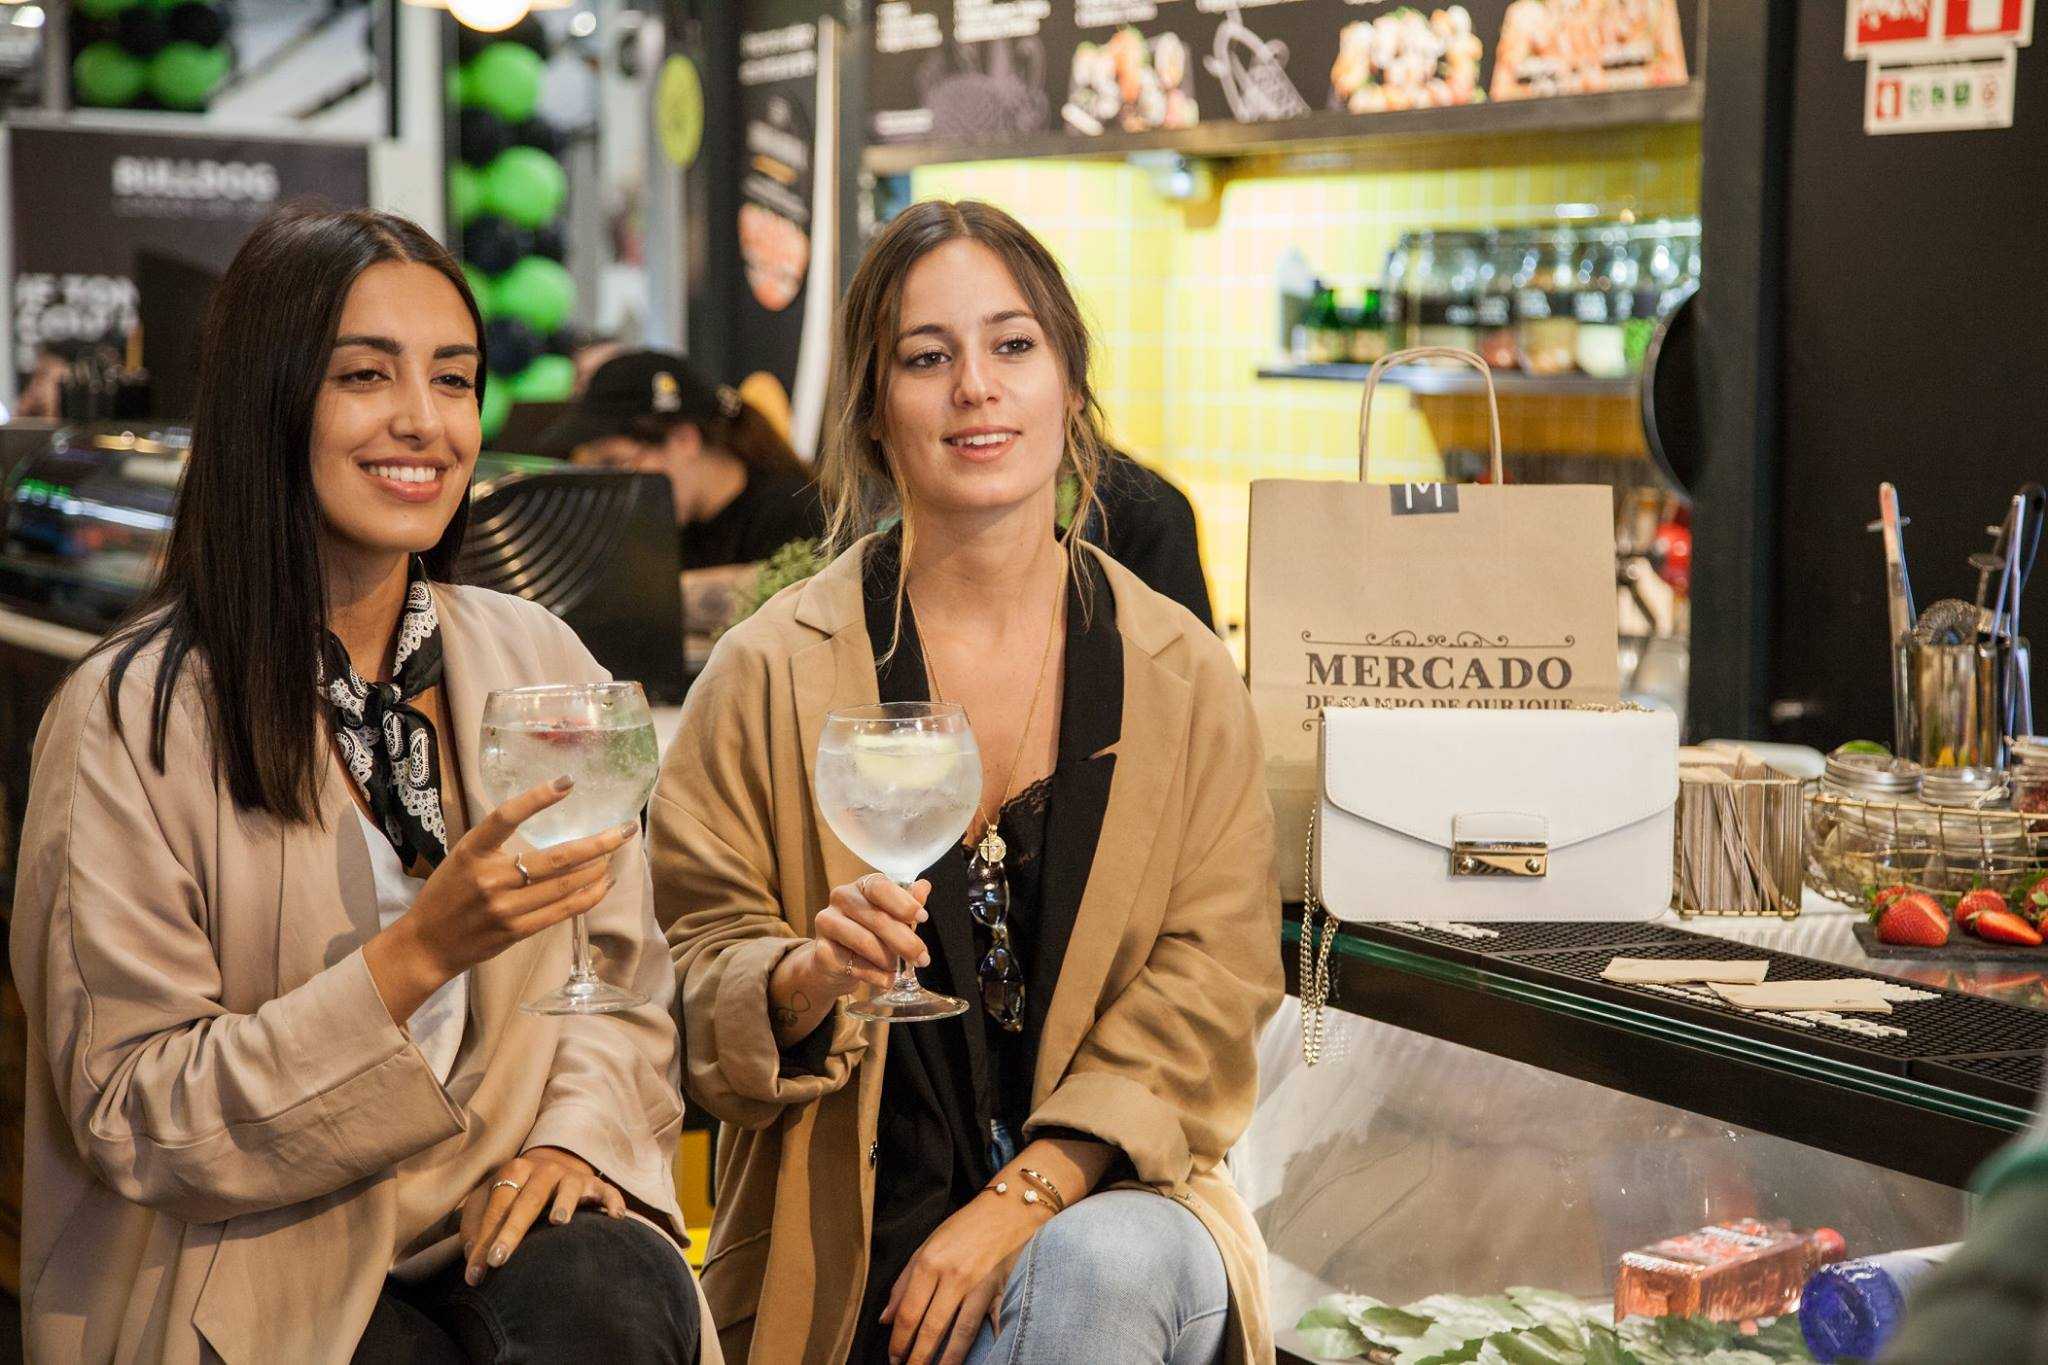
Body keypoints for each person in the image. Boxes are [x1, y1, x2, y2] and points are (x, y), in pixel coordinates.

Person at [8, 204, 709, 1364]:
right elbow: (134, 1108)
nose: (423, 423)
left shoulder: (540, 664)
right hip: (240, 1250)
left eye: (454, 378)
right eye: (364, 377)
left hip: (490, 1202)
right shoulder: (128, 718)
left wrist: (579, 1141)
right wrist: (415, 957)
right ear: (269, 402)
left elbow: (620, 978)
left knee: (617, 1297)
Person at [652, 198, 1281, 1365]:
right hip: (838, 1231)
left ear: (1067, 389)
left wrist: (1029, 1194)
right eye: (926, 358)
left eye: (1012, 346)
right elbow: (680, 970)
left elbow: (1219, 971)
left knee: (1097, 1273)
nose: (974, 389)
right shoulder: (768, 672)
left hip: (1111, 1197)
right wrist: (798, 978)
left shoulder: (1177, 671)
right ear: (873, 411)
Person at [539, 350, 827, 648]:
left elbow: (793, 599)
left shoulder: (793, 509)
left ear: (683, 440)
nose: (612, 482)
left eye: (615, 463)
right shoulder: (670, 524)